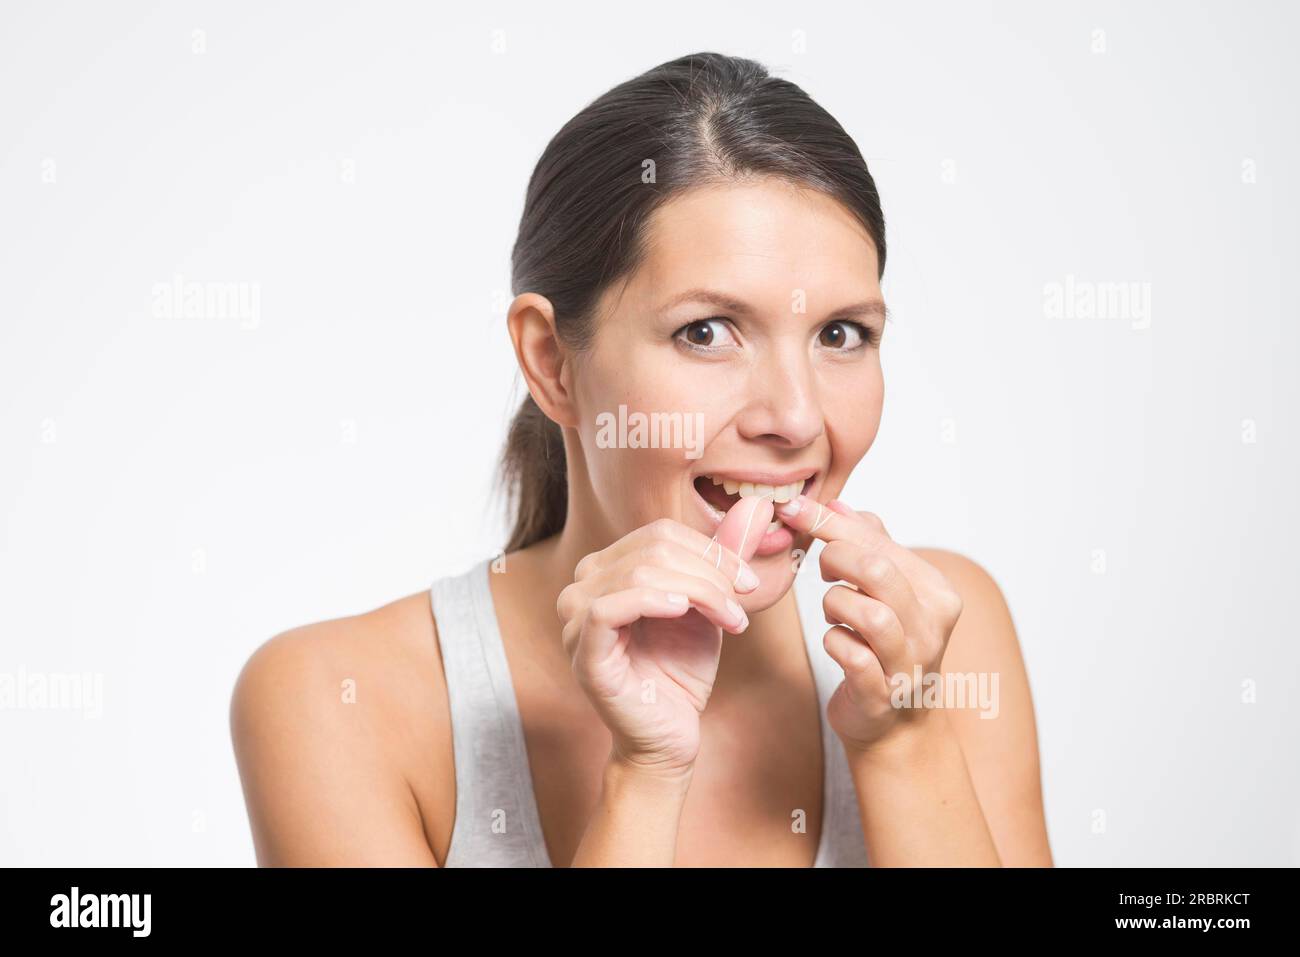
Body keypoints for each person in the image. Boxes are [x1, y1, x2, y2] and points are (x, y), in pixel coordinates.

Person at [231, 51, 1053, 867]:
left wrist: (905, 739)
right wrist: (646, 775)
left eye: (842, 334)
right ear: (553, 360)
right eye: (706, 331)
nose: (797, 418)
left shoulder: (946, 630)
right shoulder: (332, 701)